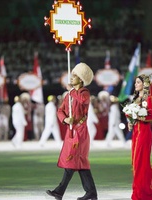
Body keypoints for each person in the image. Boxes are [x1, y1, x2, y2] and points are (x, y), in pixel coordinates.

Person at [46, 63, 98, 200]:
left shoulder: (83, 92)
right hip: (71, 131)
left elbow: (83, 101)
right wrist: (64, 119)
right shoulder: (69, 95)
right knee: (79, 163)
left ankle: (60, 191)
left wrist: (72, 91)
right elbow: (60, 110)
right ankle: (91, 193)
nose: (72, 77)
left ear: (81, 79)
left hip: (80, 132)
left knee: (73, 160)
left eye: (74, 75)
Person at [126, 74, 152, 200]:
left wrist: (138, 116)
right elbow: (132, 115)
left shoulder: (148, 99)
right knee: (136, 163)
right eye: (135, 82)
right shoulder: (135, 99)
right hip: (136, 133)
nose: (136, 84)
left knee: (142, 163)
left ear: (144, 84)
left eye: (138, 82)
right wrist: (130, 122)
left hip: (144, 133)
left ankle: (143, 193)